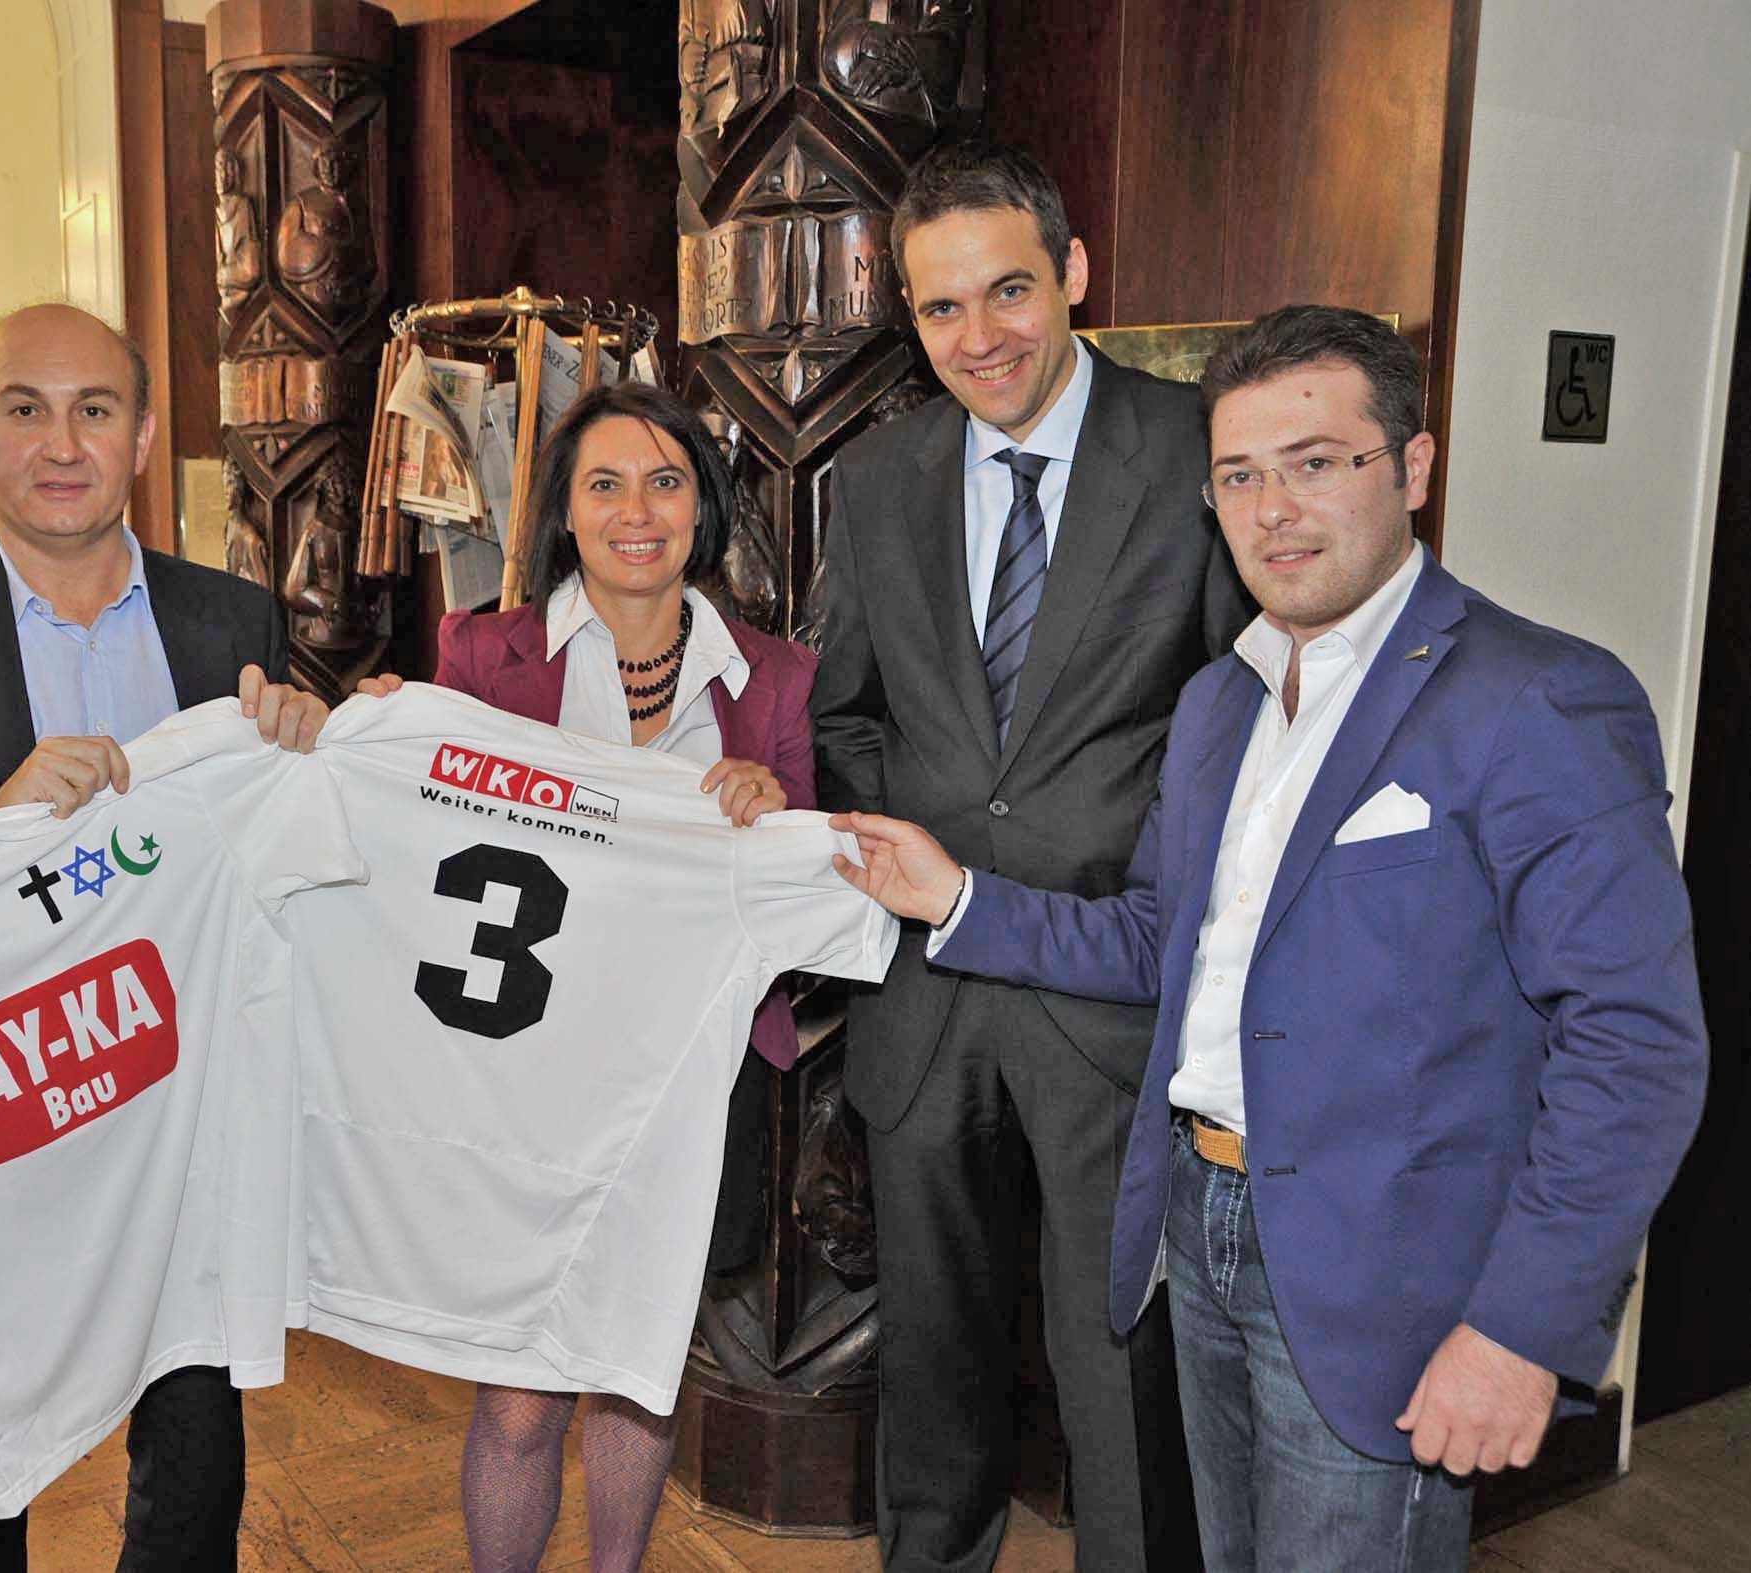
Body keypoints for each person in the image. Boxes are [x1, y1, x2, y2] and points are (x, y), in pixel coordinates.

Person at [831, 305, 1708, 1571]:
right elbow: (1159, 943)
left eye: (1317, 461)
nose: (1274, 509)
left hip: (1381, 1275)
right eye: (1238, 475)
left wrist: (1522, 1326)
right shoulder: (1216, 706)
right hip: (1197, 1229)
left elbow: (1633, 1041)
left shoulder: (1535, 697)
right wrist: (958, 898)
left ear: (1412, 466)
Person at [0, 301, 327, 1571]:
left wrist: (312, 748)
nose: (60, 442)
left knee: (194, 1446)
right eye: (24, 409)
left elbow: (282, 871)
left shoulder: (232, 622)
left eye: (94, 409)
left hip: (181, 1110)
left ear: (142, 435)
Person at [810, 139, 1243, 1570]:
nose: (978, 336)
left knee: (1121, 1382)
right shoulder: (876, 479)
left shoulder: (1194, 451)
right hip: (925, 1002)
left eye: (1007, 290)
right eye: (941, 307)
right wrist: (910, 862)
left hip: (1112, 1004)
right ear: (909, 315)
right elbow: (847, 712)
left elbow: (1245, 711)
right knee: (929, 1373)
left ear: (1072, 273)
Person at [359, 381, 816, 1571]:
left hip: (690, 1085)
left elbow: (810, 892)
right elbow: (420, 836)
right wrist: (377, 738)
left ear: (702, 508)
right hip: (521, 1072)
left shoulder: (774, 679)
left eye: (665, 482)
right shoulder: (481, 654)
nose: (635, 512)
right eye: (603, 484)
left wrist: (774, 812)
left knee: (636, 1373)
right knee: (519, 1395)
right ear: (563, 510)